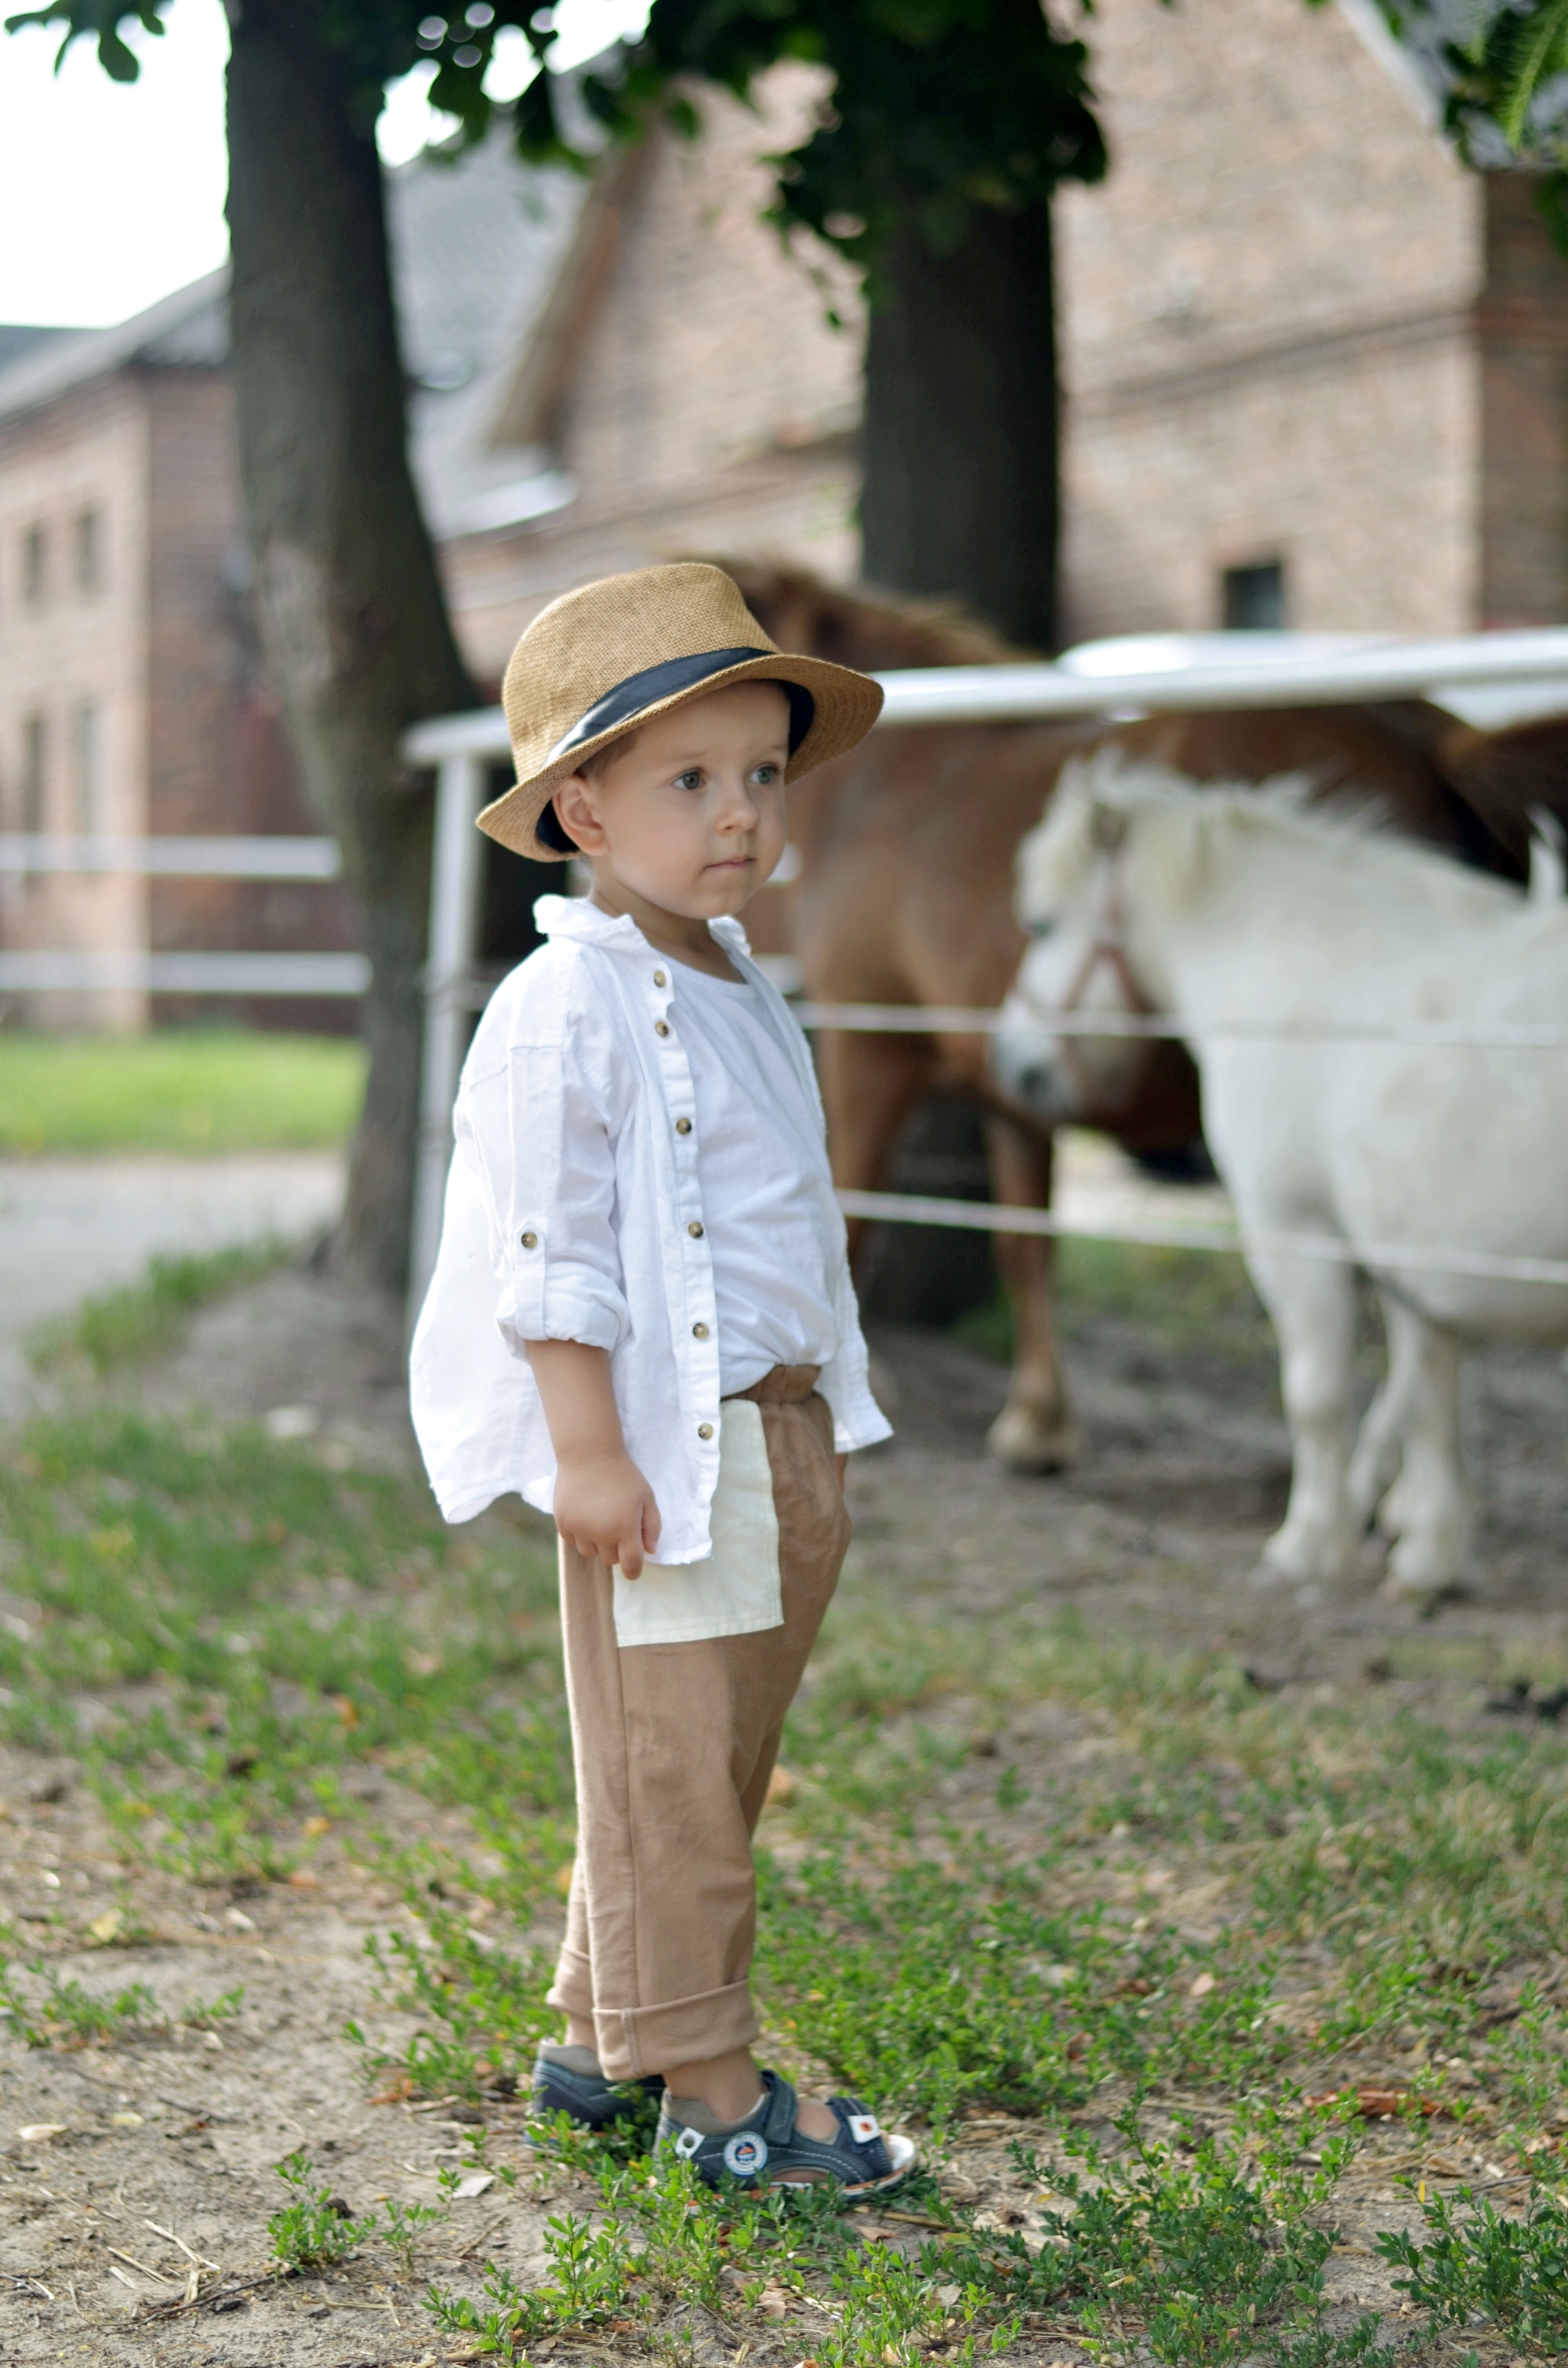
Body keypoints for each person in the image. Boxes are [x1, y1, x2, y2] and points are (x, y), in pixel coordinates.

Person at [411, 562, 913, 2192]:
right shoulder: (568, 1005)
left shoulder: (733, 977)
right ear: (580, 812)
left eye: (760, 775)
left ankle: (590, 2039)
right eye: (688, 780)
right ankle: (714, 2092)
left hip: (773, 1434)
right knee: (673, 1771)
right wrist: (585, 1450)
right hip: (658, 1456)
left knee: (707, 1760)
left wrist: (825, 1398)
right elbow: (550, 1252)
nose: (740, 814)